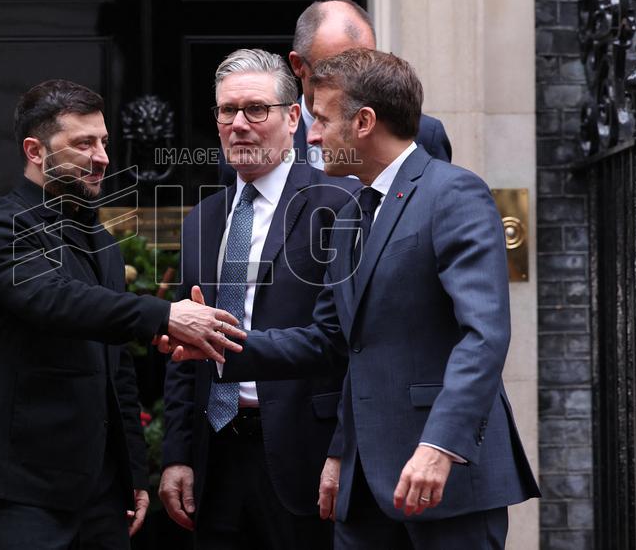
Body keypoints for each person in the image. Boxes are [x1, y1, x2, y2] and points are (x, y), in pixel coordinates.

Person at [168, 49, 540, 549]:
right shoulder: (353, 212)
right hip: (362, 486)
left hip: (443, 474)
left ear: (363, 122)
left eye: (321, 120)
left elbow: (484, 336)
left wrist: (440, 444)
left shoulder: (453, 193)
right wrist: (217, 344)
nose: (312, 136)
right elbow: (333, 341)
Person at [0, 79, 245, 550]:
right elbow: (57, 301)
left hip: (101, 492)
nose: (103, 157)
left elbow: (117, 369)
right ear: (35, 151)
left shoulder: (102, 243)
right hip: (21, 488)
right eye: (83, 143)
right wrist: (165, 315)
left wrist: (132, 471)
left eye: (104, 142)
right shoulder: (2, 229)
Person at [161, 49, 357, 549]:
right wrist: (178, 454)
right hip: (216, 459)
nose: (239, 125)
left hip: (305, 455)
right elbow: (185, 350)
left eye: (255, 109)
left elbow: (352, 345)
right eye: (227, 111)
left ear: (292, 118)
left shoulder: (338, 206)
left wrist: (344, 450)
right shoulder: (202, 219)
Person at [217, 0, 450, 185]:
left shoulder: (421, 135)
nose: (354, 81)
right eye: (331, 71)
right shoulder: (250, 143)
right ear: (298, 65)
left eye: (365, 64)